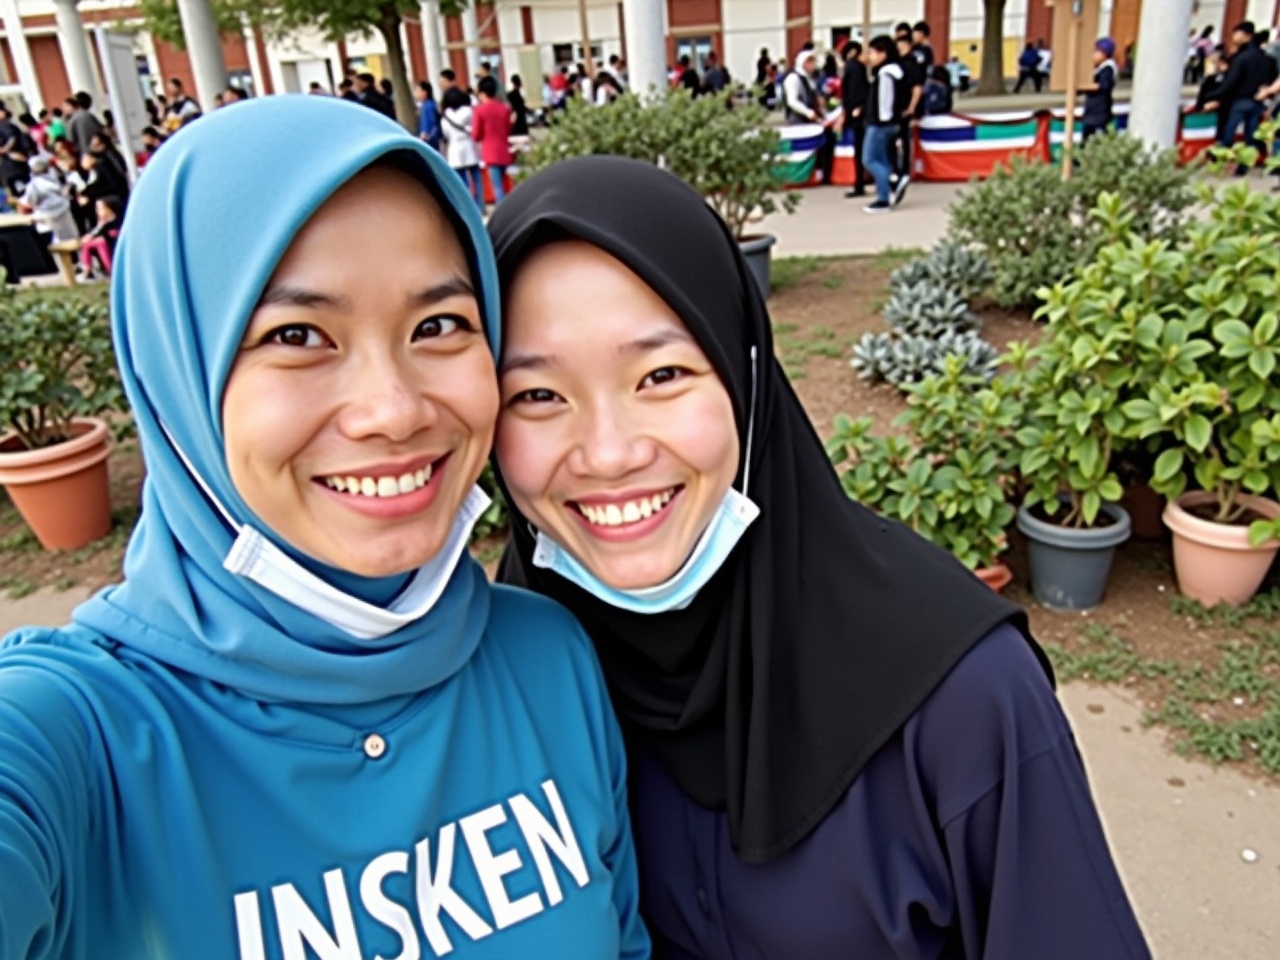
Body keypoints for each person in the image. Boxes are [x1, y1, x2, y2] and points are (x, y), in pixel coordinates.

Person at [0, 95, 648, 960]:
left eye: (439, 326)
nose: (392, 408)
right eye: (298, 334)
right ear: (182, 374)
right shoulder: (78, 740)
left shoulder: (546, 662)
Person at [486, 153, 1152, 960]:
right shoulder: (505, 689)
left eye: (661, 374)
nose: (609, 452)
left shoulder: (961, 698)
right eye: (538, 396)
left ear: (748, 378)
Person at [863, 35, 907, 212]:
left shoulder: (886, 74)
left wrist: (882, 119)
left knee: (869, 159)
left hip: (881, 124)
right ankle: (890, 185)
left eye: (872, 52)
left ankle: (887, 190)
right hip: (890, 122)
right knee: (881, 158)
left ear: (883, 53)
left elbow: (884, 100)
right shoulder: (894, 72)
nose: (870, 56)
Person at [472, 74, 514, 206]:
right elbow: (508, 130)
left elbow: (476, 134)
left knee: (497, 188)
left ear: (482, 92)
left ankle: (503, 214)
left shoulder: (479, 110)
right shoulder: (505, 109)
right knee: (505, 185)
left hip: (490, 152)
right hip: (504, 150)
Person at [18, 155, 78, 246]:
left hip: (47, 217)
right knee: (71, 238)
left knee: (59, 244)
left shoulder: (34, 185)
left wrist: (20, 202)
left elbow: (30, 201)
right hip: (63, 212)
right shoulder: (55, 178)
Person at [441, 85, 483, 207]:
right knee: (476, 179)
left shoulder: (445, 117)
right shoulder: (470, 112)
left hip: (454, 149)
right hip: (470, 147)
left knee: (460, 182)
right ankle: (479, 206)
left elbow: (446, 134)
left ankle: (465, 207)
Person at [840, 40, 870, 199]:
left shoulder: (853, 67)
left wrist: (854, 108)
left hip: (856, 113)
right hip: (859, 112)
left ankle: (860, 183)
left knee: (860, 149)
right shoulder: (857, 67)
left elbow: (853, 90)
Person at [894, 32, 924, 190]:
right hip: (897, 108)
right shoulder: (897, 63)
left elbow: (917, 88)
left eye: (903, 46)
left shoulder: (912, 64)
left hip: (905, 108)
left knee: (904, 141)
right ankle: (899, 170)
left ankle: (904, 171)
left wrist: (911, 108)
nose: (900, 49)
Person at [76, 194, 122, 279]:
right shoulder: (102, 222)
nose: (97, 211)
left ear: (110, 209)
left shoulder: (115, 222)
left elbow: (105, 233)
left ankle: (110, 269)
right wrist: (89, 236)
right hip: (105, 244)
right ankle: (87, 269)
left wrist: (91, 236)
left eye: (100, 208)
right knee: (88, 244)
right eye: (97, 209)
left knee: (99, 242)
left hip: (112, 245)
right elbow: (96, 231)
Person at [1081, 37, 1119, 142]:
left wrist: (1089, 86)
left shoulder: (1108, 69)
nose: (1093, 55)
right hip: (1093, 112)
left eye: (1096, 51)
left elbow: (1104, 85)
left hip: (1099, 113)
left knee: (1094, 141)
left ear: (1104, 53)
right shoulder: (1099, 69)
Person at [65, 92, 105, 156]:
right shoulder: (90, 116)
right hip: (99, 151)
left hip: (86, 154)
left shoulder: (73, 120)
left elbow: (70, 140)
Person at [415, 79, 441, 150]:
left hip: (429, 142)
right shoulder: (428, 105)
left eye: (418, 91)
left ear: (425, 92)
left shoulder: (428, 106)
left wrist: (423, 137)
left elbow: (428, 125)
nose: (416, 93)